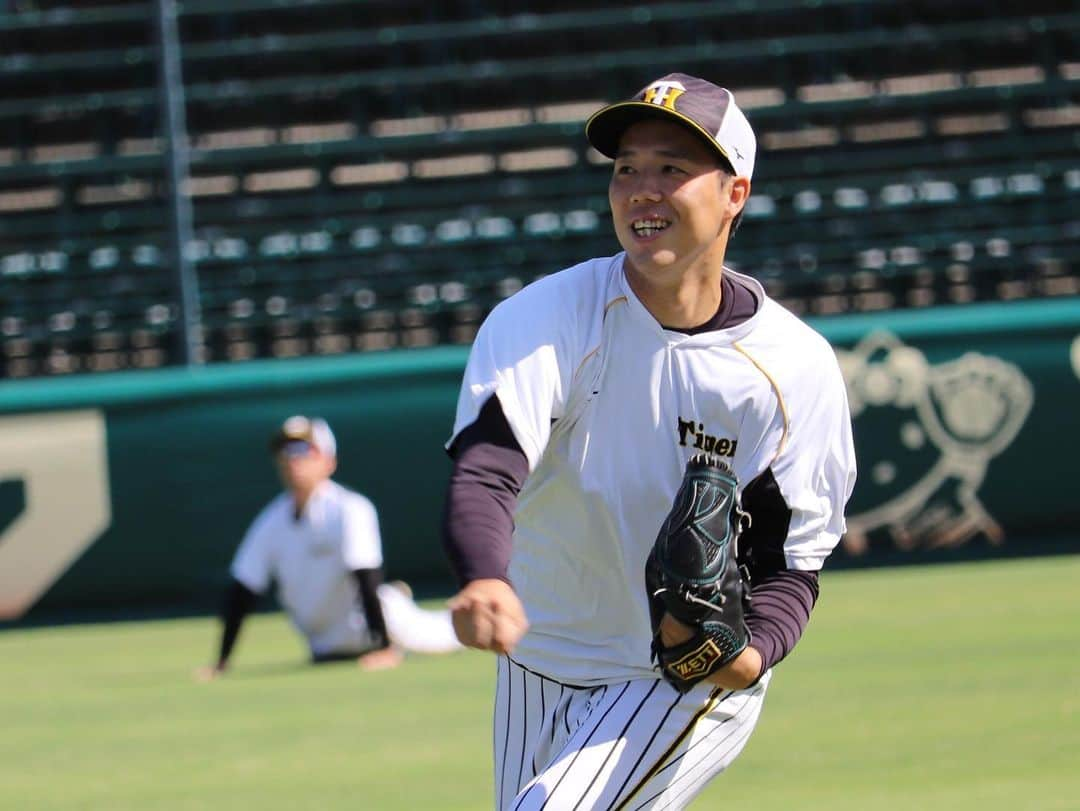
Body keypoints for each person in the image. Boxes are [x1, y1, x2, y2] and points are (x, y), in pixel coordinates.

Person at [441, 73, 857, 809]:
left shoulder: (791, 366)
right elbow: (488, 468)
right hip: (536, 659)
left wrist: (749, 654)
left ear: (735, 193)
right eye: (627, 168)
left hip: (676, 673)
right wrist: (484, 572)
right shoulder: (549, 316)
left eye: (673, 167)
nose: (642, 189)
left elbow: (793, 563)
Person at [197, 415, 461, 681]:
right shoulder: (271, 521)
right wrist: (221, 662)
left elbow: (365, 575)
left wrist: (384, 648)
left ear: (328, 460)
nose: (292, 459)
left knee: (454, 634)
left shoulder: (350, 508)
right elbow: (243, 590)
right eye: (284, 451)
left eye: (302, 449)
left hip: (390, 624)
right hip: (325, 646)